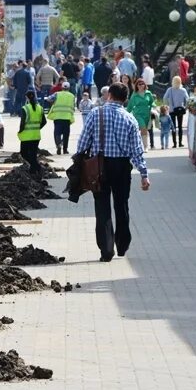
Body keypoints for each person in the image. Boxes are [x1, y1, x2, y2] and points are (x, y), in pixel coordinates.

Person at [76, 83, 150, 262]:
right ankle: (122, 245)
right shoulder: (130, 118)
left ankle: (106, 249)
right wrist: (144, 174)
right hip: (122, 167)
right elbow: (137, 149)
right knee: (121, 205)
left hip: (100, 166)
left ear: (109, 95)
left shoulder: (95, 114)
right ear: (125, 99)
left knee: (102, 208)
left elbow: (83, 143)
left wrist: (79, 163)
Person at [17, 89, 47, 173]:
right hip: (36, 135)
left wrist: (20, 131)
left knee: (24, 153)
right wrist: (37, 128)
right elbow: (44, 122)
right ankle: (33, 171)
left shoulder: (25, 108)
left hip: (26, 136)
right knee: (33, 155)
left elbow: (22, 123)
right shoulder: (40, 108)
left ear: (27, 98)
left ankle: (36, 167)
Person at [46, 82, 77, 155]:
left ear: (62, 88)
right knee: (66, 134)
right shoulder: (72, 96)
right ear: (69, 88)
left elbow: (48, 99)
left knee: (57, 133)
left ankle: (58, 145)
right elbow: (73, 106)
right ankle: (65, 149)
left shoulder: (57, 94)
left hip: (58, 117)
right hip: (67, 117)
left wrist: (54, 102)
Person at [126, 79, 154, 150]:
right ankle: (145, 146)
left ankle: (142, 144)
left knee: (145, 129)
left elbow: (152, 102)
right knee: (143, 128)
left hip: (147, 114)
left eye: (142, 84)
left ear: (145, 85)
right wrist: (125, 113)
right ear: (137, 86)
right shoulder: (134, 95)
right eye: (139, 84)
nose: (141, 85)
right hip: (138, 114)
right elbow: (130, 106)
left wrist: (153, 108)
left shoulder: (148, 93)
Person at [163, 76, 190, 147]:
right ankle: (180, 143)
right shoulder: (183, 90)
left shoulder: (170, 89)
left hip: (172, 110)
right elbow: (188, 99)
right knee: (180, 126)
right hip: (180, 109)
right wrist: (185, 107)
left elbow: (164, 98)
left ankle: (174, 143)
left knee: (173, 127)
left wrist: (167, 106)